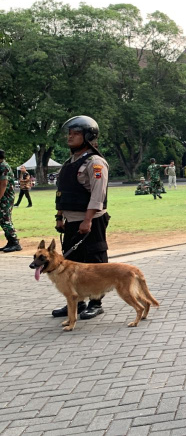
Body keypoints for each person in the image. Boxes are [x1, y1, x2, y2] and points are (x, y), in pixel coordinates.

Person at [52, 115, 110, 319]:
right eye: (69, 133)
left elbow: (97, 194)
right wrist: (59, 217)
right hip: (71, 220)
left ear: (87, 137)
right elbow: (63, 191)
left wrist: (87, 220)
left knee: (94, 261)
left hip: (91, 220)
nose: (70, 137)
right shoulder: (69, 163)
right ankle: (76, 302)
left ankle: (96, 302)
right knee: (71, 262)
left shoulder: (95, 163)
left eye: (75, 134)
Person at [0, 149, 21, 253]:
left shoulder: (3, 167)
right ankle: (10, 241)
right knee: (3, 219)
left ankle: (15, 243)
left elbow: (3, 184)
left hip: (5, 198)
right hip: (4, 197)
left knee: (5, 219)